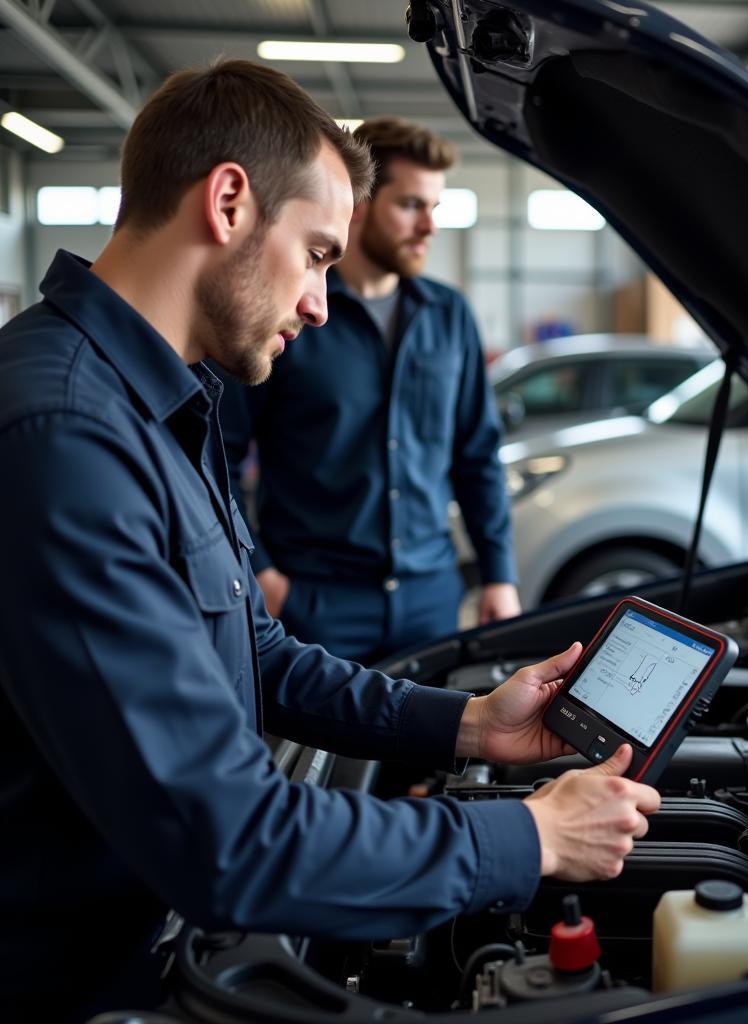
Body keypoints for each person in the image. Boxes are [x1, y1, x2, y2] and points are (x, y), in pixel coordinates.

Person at [0, 61, 659, 1023]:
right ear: (228, 201)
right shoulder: (64, 435)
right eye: (315, 254)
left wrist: (469, 724)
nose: (319, 301)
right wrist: (529, 839)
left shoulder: (161, 401)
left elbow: (255, 658)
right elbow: (227, 839)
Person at [217, 116, 520, 664]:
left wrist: (499, 576)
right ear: (359, 205)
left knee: (429, 747)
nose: (428, 226)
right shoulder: (292, 315)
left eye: (435, 209)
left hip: (431, 601)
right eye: (411, 206)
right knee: (309, 753)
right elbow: (219, 452)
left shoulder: (450, 317)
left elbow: (478, 456)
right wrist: (260, 572)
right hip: (315, 603)